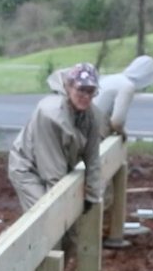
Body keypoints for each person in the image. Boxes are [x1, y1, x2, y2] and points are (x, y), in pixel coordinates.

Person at [8, 62, 102, 214]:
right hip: (28, 168)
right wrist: (60, 206)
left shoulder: (90, 115)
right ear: (68, 86)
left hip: (58, 166)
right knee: (45, 217)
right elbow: (53, 171)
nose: (85, 97)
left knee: (66, 220)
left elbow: (93, 158)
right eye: (81, 90)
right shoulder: (51, 115)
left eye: (91, 91)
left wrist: (91, 196)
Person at [93, 55, 153, 140]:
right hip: (95, 133)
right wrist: (124, 134)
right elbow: (117, 122)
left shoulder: (114, 78)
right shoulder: (127, 86)